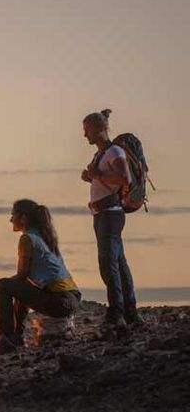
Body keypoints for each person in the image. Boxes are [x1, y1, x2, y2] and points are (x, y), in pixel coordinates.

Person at [0, 200, 81, 354]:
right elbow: (23, 282)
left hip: (60, 301)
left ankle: (7, 338)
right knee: (17, 287)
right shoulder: (44, 237)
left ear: (23, 218)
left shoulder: (27, 239)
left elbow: (21, 275)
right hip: (72, 298)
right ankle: (16, 336)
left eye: (13, 216)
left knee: (4, 285)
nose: (10, 220)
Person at [80, 109, 141, 334]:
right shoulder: (101, 154)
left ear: (99, 129)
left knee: (108, 264)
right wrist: (91, 177)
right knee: (119, 263)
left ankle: (116, 314)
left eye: (87, 130)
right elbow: (104, 179)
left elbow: (124, 178)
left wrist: (97, 176)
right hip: (103, 215)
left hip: (110, 215)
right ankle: (130, 312)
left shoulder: (114, 151)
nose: (85, 135)